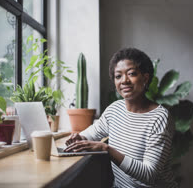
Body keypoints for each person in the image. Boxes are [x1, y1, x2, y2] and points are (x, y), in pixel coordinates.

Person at [65, 48, 178, 188]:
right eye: (118, 76)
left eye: (131, 74)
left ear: (145, 77)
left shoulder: (160, 118)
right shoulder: (114, 110)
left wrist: (107, 149)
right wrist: (79, 138)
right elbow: (91, 133)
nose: (124, 80)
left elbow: (149, 174)